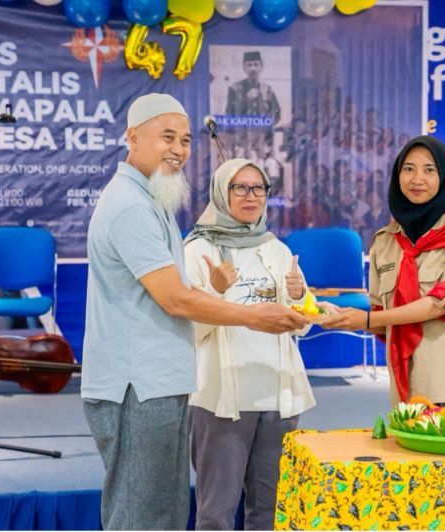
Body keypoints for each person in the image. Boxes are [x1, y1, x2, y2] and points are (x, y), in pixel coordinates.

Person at [81, 93, 306, 531]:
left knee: (163, 514)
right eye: (167, 137)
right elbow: (176, 299)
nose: (179, 150)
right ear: (132, 136)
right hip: (136, 387)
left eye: (185, 140)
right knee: (140, 517)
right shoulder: (129, 205)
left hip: (159, 383)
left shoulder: (152, 201)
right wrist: (254, 315)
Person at [183, 158, 316, 530]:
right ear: (221, 193)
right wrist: (214, 290)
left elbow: (303, 322)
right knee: (216, 513)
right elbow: (185, 331)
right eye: (239, 187)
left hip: (278, 396)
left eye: (258, 188)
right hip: (224, 398)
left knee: (270, 511)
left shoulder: (276, 248)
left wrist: (300, 295)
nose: (250, 196)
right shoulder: (197, 250)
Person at [322, 136, 445, 405]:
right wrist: (338, 315)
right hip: (408, 390)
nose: (417, 178)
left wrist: (367, 320)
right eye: (408, 169)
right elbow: (383, 318)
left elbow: (441, 303)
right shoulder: (384, 241)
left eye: (429, 170)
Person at [225, 51, 281, 125]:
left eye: (256, 64)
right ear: (244, 68)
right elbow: (229, 114)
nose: (252, 68)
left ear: (261, 67)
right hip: (242, 133)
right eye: (249, 65)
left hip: (262, 134)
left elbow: (276, 112)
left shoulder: (267, 90)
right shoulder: (234, 89)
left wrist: (266, 124)